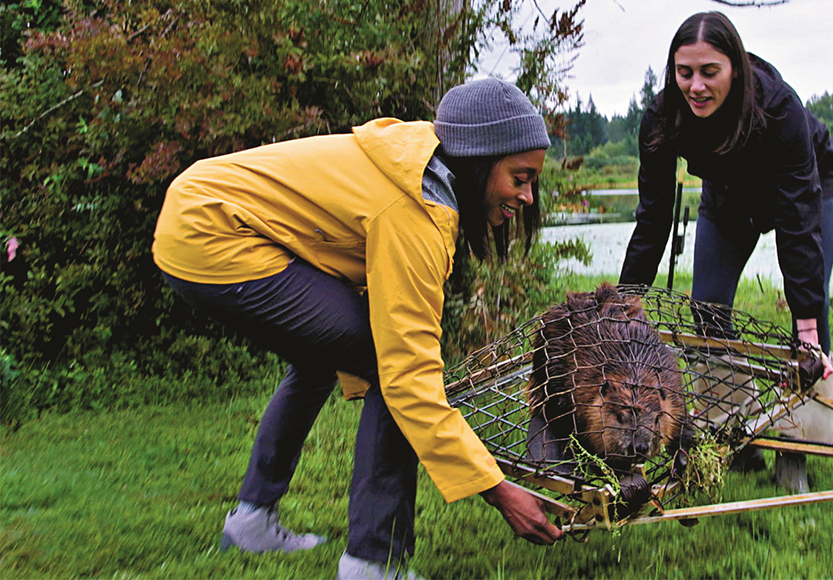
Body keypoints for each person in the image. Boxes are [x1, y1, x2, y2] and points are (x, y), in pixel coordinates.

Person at [153, 78, 564, 580]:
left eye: (531, 182)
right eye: (519, 177)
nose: (526, 195)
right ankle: (373, 561)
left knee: (320, 360)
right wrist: (499, 490)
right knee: (385, 363)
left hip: (198, 211)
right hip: (212, 230)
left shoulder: (419, 162)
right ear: (479, 160)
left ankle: (252, 521)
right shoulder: (416, 208)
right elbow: (409, 377)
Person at [618, 11, 833, 492]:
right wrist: (625, 301)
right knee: (708, 310)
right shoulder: (663, 118)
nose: (696, 86)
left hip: (809, 187)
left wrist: (805, 326)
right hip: (728, 199)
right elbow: (652, 219)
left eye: (709, 72)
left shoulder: (780, 109)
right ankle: (737, 434)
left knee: (811, 314)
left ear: (734, 69)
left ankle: (795, 450)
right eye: (685, 73)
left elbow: (799, 225)